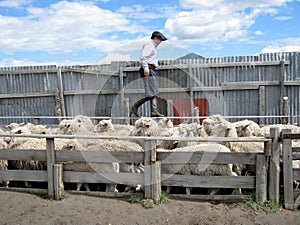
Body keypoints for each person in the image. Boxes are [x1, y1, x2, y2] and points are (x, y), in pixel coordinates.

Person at [130, 31, 167, 117]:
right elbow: (143, 57)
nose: (160, 42)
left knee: (153, 92)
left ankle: (150, 110)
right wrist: (146, 68)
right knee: (152, 93)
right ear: (156, 38)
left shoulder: (152, 46)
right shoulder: (150, 45)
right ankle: (138, 107)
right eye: (160, 40)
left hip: (151, 69)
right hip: (148, 69)